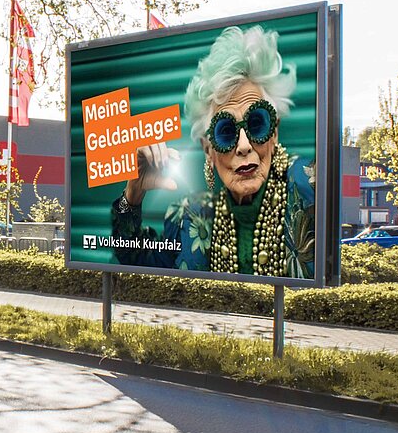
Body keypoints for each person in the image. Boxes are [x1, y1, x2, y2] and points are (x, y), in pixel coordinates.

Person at [109, 25, 316, 277]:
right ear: (208, 149)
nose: (243, 146)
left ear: (274, 132)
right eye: (226, 131)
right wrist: (133, 194)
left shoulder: (308, 186)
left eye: (257, 124)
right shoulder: (190, 215)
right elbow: (136, 259)